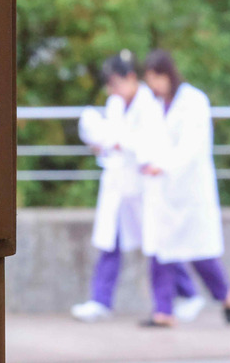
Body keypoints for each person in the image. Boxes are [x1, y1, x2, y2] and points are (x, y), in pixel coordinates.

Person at [71, 50, 204, 322]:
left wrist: (121, 142)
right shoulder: (115, 104)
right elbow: (110, 138)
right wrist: (104, 145)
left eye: (115, 84)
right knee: (111, 242)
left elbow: (152, 142)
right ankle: (100, 300)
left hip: (146, 186)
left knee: (158, 246)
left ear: (131, 78)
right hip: (120, 186)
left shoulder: (150, 103)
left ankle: (189, 294)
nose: (112, 90)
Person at [140, 49, 230, 327]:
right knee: (160, 251)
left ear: (167, 74)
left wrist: (164, 165)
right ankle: (163, 311)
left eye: (155, 79)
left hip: (189, 190)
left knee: (200, 255)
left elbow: (192, 146)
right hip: (163, 191)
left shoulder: (194, 101)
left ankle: (226, 294)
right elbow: (147, 137)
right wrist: (148, 162)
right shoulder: (155, 104)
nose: (153, 86)